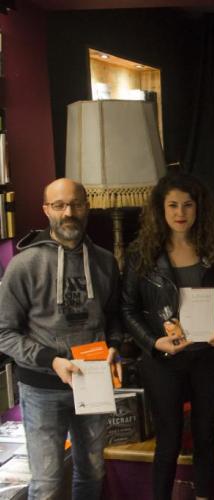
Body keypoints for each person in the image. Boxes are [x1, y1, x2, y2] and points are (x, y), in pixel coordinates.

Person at [0, 178, 122, 499]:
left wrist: (115, 347)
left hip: (92, 383)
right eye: (59, 205)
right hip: (41, 388)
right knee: (47, 485)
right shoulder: (24, 265)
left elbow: (114, 317)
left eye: (76, 204)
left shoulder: (105, 262)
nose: (69, 212)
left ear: (87, 207)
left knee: (93, 472)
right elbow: (3, 333)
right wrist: (50, 360)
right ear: (46, 210)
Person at [121, 172, 214, 500]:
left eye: (187, 204)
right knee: (168, 440)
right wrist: (153, 342)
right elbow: (127, 310)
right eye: (172, 205)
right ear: (161, 209)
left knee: (205, 436)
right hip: (163, 361)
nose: (180, 212)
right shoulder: (141, 254)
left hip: (208, 357)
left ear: (199, 208)